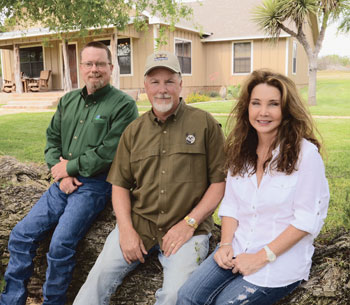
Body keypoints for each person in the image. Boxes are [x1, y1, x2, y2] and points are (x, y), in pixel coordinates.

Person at [73, 50, 226, 305]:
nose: (162, 89)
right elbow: (119, 186)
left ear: (180, 84)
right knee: (95, 283)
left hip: (189, 229)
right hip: (140, 224)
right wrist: (126, 231)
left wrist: (189, 223)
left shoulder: (205, 124)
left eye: (169, 81)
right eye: (155, 82)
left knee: (175, 296)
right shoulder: (133, 131)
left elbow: (219, 183)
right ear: (145, 86)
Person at [0, 41, 138, 305]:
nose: (94, 69)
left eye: (100, 64)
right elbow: (52, 140)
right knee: (20, 235)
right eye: (88, 64)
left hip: (97, 185)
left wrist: (70, 168)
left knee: (60, 245)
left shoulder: (123, 105)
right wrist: (61, 174)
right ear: (81, 67)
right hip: (62, 182)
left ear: (110, 68)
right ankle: (12, 299)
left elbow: (111, 150)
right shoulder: (68, 100)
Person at [176, 69, 330, 305]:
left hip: (278, 262)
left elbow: (306, 220)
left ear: (286, 110)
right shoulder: (242, 151)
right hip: (236, 249)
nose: (263, 112)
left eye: (273, 104)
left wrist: (260, 258)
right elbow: (231, 205)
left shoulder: (305, 155)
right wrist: (226, 244)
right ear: (247, 107)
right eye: (256, 103)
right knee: (187, 296)